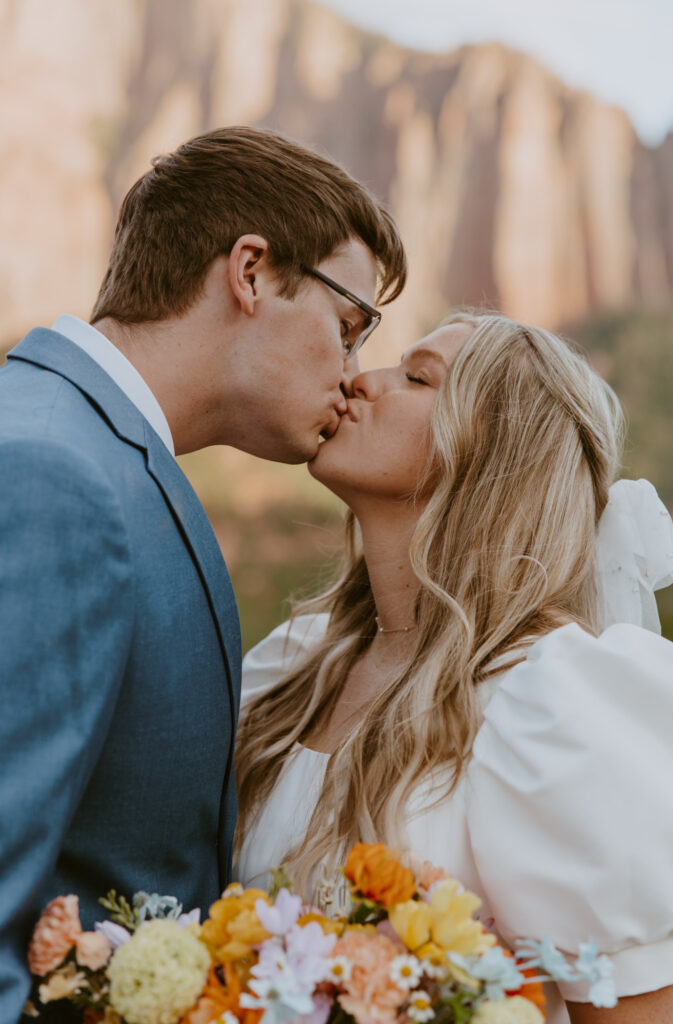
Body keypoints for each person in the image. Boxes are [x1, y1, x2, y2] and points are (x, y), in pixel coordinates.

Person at [0, 126, 406, 1023]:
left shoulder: (110, 460)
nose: (353, 375)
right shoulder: (52, 474)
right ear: (251, 272)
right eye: (347, 327)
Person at [235, 311, 673, 1024]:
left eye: (415, 378)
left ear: (492, 453)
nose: (357, 378)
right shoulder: (290, 669)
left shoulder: (551, 705)